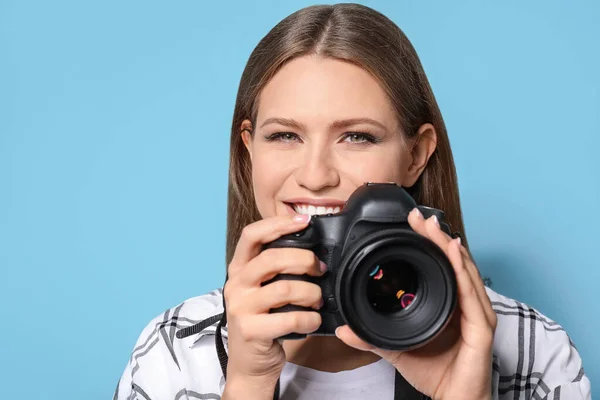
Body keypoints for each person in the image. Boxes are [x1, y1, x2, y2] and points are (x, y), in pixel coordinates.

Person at [114, 4, 591, 400]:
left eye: (357, 137)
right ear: (249, 149)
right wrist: (247, 384)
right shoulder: (177, 351)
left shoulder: (530, 350)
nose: (316, 175)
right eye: (284, 135)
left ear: (416, 155)